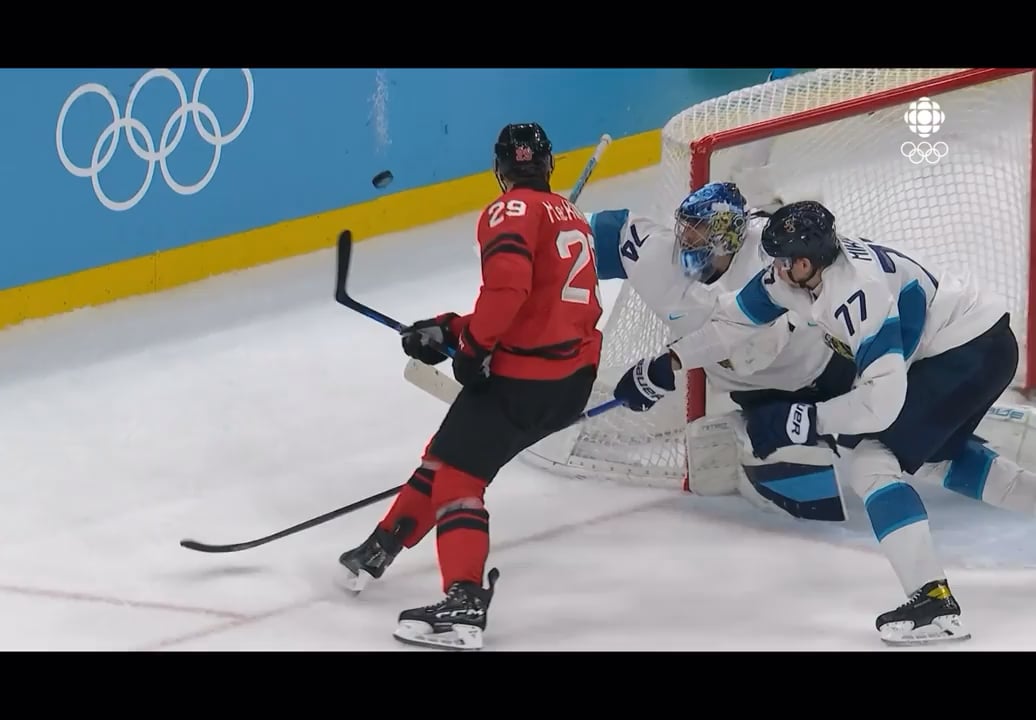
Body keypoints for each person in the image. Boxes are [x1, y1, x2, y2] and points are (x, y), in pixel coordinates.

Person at [708, 199, 1031, 644]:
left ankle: (934, 605)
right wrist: (667, 365)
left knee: (871, 462)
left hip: (969, 351)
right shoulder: (809, 274)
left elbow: (881, 404)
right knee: (936, 460)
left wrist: (805, 420)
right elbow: (734, 318)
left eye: (783, 260)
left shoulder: (856, 293)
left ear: (805, 262)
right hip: (978, 344)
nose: (775, 268)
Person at [336, 122, 603, 651]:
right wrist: (446, 330)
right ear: (549, 165)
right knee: (448, 454)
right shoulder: (571, 217)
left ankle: (463, 600)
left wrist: (474, 348)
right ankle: (381, 545)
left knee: (459, 478)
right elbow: (534, 308)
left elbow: (508, 292)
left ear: (500, 169)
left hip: (526, 382)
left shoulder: (508, 210)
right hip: (569, 380)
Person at [592, 182, 856, 521]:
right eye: (686, 225)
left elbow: (748, 348)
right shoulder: (658, 255)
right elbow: (599, 233)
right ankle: (750, 425)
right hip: (759, 393)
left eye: (698, 228)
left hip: (829, 365)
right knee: (791, 462)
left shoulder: (772, 260)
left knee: (886, 427)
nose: (686, 236)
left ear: (724, 235)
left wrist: (663, 367)